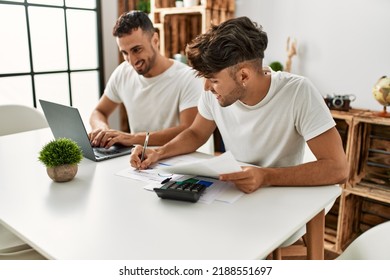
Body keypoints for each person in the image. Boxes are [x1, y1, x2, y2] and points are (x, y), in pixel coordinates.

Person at [130, 16, 349, 194]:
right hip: (235, 193)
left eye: (213, 80)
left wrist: (266, 176)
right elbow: (196, 133)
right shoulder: (214, 93)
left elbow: (338, 168)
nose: (206, 87)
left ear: (243, 75)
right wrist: (159, 152)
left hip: (282, 194)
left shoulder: (298, 92)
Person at [89, 11, 202, 148]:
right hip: (139, 162)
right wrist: (102, 130)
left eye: (136, 50)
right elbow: (98, 112)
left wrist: (132, 138)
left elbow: (189, 130)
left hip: (180, 161)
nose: (132, 60)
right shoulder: (123, 72)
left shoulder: (187, 78)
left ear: (155, 40)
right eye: (125, 53)